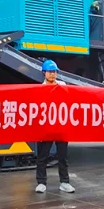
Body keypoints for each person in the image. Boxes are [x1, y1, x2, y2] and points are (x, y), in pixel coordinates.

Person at [35, 59, 75, 194]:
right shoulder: (39, 89)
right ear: (44, 73)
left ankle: (64, 182)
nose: (52, 74)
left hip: (61, 126)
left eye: (54, 72)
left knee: (63, 156)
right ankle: (41, 183)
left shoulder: (63, 86)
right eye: (50, 72)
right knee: (42, 156)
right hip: (45, 127)